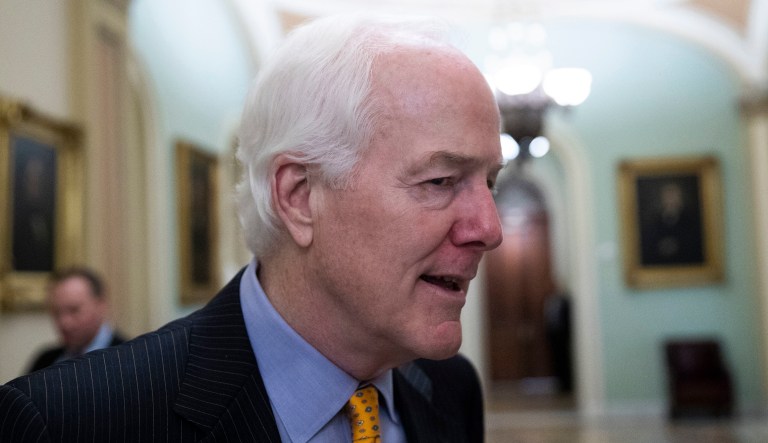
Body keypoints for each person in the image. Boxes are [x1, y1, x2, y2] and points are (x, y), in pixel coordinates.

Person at [0, 13, 503, 442]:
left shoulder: (449, 388)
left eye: (490, 183)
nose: (489, 228)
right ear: (299, 197)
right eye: (440, 180)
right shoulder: (71, 422)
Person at [25, 267, 126, 373]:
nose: (64, 322)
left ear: (101, 305)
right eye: (56, 312)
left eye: (74, 310)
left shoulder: (128, 359)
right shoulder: (44, 362)